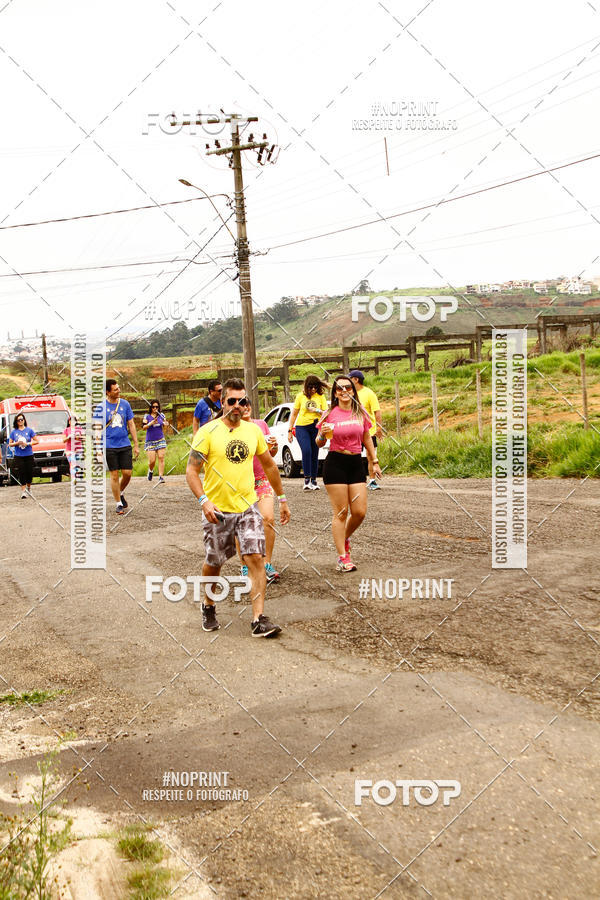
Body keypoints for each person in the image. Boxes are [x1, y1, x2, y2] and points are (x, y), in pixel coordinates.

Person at [186, 378, 290, 637]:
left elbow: (268, 465)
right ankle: (208, 605)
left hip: (247, 506)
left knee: (256, 558)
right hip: (217, 509)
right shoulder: (207, 432)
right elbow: (191, 470)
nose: (236, 406)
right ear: (222, 403)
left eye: (241, 401)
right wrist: (203, 501)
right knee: (215, 561)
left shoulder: (253, 431)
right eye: (230, 401)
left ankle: (259, 618)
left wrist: (282, 497)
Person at [316, 376, 381, 572]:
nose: (344, 391)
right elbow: (319, 442)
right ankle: (343, 557)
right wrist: (321, 434)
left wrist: (374, 462)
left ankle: (343, 538)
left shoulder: (360, 412)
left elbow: (367, 438)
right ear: (335, 393)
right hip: (335, 462)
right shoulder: (329, 414)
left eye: (348, 388)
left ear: (353, 391)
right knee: (341, 512)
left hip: (355, 462)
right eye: (340, 388)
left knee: (360, 512)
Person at [239, 399, 280, 585]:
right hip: (239, 482)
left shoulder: (261, 424)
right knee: (242, 525)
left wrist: (274, 446)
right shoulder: (232, 428)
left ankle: (267, 563)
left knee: (268, 519)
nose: (246, 407)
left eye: (248, 403)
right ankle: (245, 565)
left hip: (262, 479)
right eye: (241, 404)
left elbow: (271, 454)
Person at [94, 379, 139, 516]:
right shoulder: (100, 408)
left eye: (119, 388)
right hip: (109, 446)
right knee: (114, 475)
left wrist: (136, 444)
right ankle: (118, 503)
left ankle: (120, 491)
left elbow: (131, 424)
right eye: (115, 389)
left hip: (125, 444)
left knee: (127, 473)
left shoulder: (125, 404)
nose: (118, 391)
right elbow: (97, 430)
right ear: (108, 392)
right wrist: (98, 450)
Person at [288, 374, 328, 491]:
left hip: (315, 426)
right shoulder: (300, 396)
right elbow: (294, 414)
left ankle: (314, 480)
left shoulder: (320, 396)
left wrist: (316, 410)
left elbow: (325, 413)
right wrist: (290, 430)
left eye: (315, 387)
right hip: (302, 427)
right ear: (306, 387)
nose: (313, 389)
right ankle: (307, 479)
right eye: (311, 387)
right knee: (306, 451)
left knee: (315, 453)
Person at [349, 369, 383, 490]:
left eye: (350, 378)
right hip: (354, 430)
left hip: (369, 431)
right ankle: (355, 480)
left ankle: (372, 480)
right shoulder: (350, 394)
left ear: (356, 380)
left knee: (370, 456)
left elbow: (377, 411)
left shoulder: (369, 393)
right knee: (354, 456)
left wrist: (379, 428)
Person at [9, 413, 38, 498]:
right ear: (16, 422)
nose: (20, 421)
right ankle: (23, 491)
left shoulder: (29, 430)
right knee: (21, 473)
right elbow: (10, 444)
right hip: (19, 455)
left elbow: (37, 441)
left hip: (28, 454)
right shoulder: (14, 432)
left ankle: (29, 488)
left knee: (29, 472)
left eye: (22, 419)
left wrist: (28, 443)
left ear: (24, 420)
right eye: (19, 420)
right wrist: (17, 443)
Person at [142, 399, 167, 483]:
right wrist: (151, 423)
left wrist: (165, 424)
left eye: (157, 407)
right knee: (152, 461)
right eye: (153, 407)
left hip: (160, 439)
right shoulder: (147, 416)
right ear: (151, 407)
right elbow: (143, 427)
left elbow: (164, 425)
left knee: (161, 457)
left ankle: (161, 477)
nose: (155, 408)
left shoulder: (162, 415)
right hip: (150, 441)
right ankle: (151, 470)